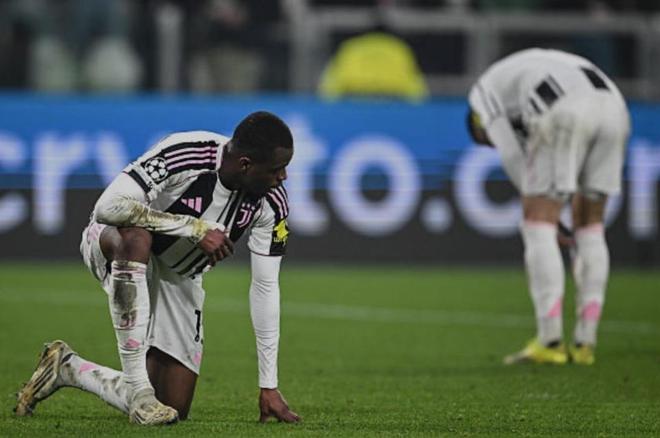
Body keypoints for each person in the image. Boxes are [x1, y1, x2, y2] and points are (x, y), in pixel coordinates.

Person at [15, 111, 301, 425]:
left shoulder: (271, 202)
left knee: (172, 407)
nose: (283, 177)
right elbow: (108, 207)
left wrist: (268, 385)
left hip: (179, 275)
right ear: (245, 164)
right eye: (277, 169)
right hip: (117, 243)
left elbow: (265, 287)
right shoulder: (186, 153)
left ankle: (67, 368)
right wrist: (194, 228)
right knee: (138, 238)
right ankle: (138, 392)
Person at [466, 48, 630, 365]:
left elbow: (511, 153)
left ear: (477, 124)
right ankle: (585, 342)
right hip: (614, 108)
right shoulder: (527, 66)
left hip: (564, 110)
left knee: (537, 223)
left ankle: (550, 340)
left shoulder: (481, 96)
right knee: (591, 226)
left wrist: (541, 206)